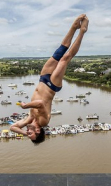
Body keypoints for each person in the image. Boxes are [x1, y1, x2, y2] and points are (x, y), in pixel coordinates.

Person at [10, 14, 89, 143]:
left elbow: (12, 127)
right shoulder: (43, 122)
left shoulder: (30, 119)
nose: (28, 133)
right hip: (52, 86)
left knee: (59, 52)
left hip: (42, 80)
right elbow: (40, 104)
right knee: (65, 59)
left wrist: (25, 133)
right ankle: (82, 32)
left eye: (29, 135)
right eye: (31, 134)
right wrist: (25, 107)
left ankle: (74, 27)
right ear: (38, 131)